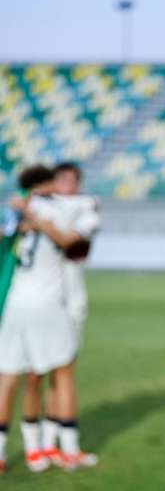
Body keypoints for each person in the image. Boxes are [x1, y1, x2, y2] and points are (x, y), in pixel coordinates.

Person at [0, 165, 98, 474]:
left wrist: (23, 210)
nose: (65, 185)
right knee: (47, 373)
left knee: (25, 376)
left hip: (27, 302)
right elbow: (71, 237)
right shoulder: (62, 209)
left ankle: (44, 446)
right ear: (49, 183)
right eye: (60, 180)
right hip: (49, 303)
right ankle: (54, 448)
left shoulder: (25, 206)